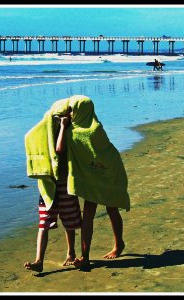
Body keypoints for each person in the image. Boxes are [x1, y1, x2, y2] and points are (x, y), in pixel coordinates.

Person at [63, 95, 130, 269]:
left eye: (72, 110)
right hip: (91, 174)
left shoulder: (95, 128)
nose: (69, 113)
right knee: (89, 214)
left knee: (112, 208)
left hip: (108, 170)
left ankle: (119, 244)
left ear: (82, 111)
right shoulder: (71, 130)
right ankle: (85, 256)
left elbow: (101, 151)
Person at [24, 106, 82, 273]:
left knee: (69, 220)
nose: (60, 120)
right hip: (48, 183)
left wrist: (64, 127)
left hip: (64, 181)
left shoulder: (70, 131)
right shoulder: (45, 134)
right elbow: (29, 137)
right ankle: (39, 260)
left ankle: (71, 253)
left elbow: (59, 149)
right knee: (44, 223)